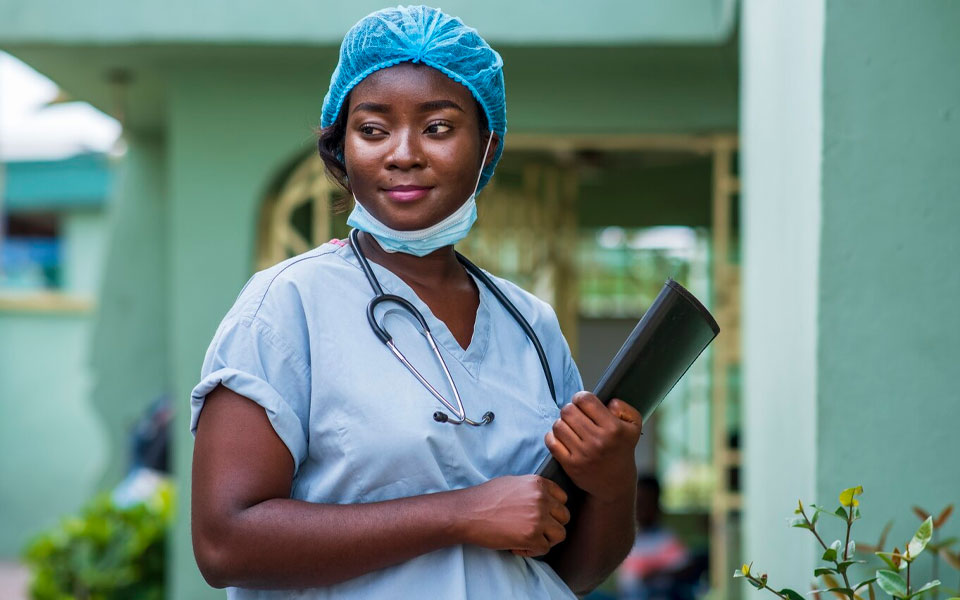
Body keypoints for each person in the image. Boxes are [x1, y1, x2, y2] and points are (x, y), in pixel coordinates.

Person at [189, 6, 643, 599]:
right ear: (341, 149)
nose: (403, 154)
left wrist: (611, 481)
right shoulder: (286, 306)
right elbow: (226, 544)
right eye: (373, 130)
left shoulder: (529, 325)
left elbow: (572, 572)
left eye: (438, 127)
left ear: (487, 147)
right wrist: (460, 513)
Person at [617, 475, 699, 600]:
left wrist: (658, 574)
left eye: (645, 503)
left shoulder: (666, 539)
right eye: (637, 503)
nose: (640, 509)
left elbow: (688, 567)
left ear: (656, 504)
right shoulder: (626, 538)